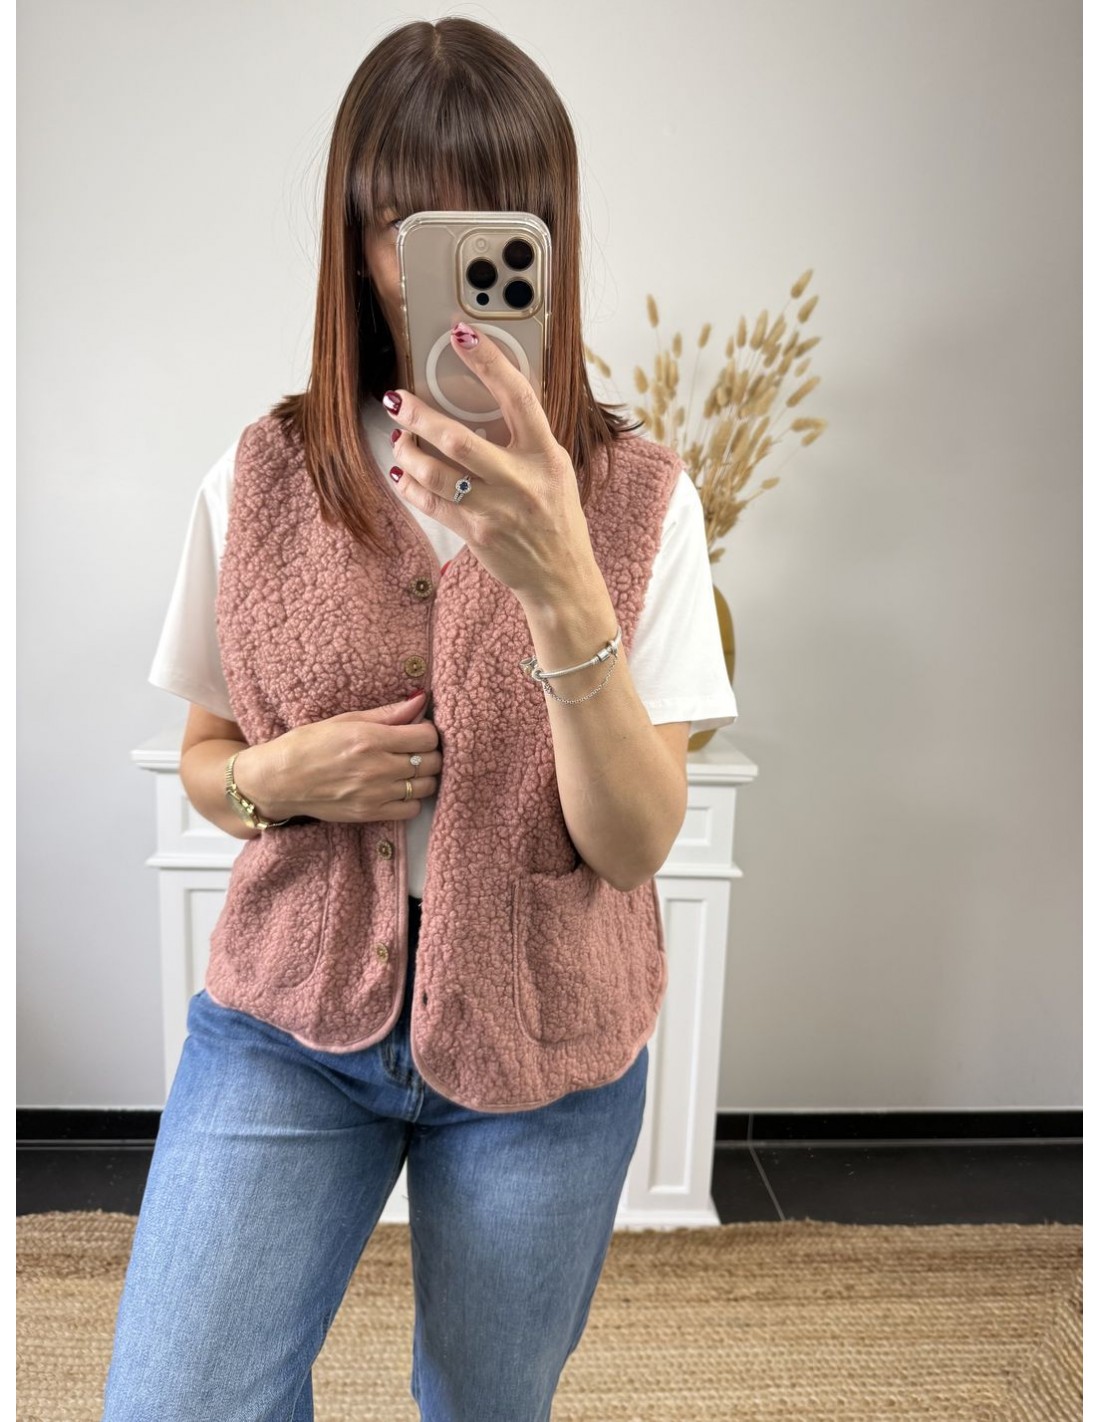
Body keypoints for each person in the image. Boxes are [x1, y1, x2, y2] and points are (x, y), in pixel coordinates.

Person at [102, 16, 737, 1422]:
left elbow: (633, 846)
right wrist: (284, 774)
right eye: (407, 223)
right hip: (289, 1025)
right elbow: (210, 763)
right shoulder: (259, 479)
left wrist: (564, 589)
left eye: (493, 225)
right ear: (358, 240)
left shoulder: (646, 502)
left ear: (550, 238)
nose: (442, 268)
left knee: (485, 1406)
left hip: (543, 1042)